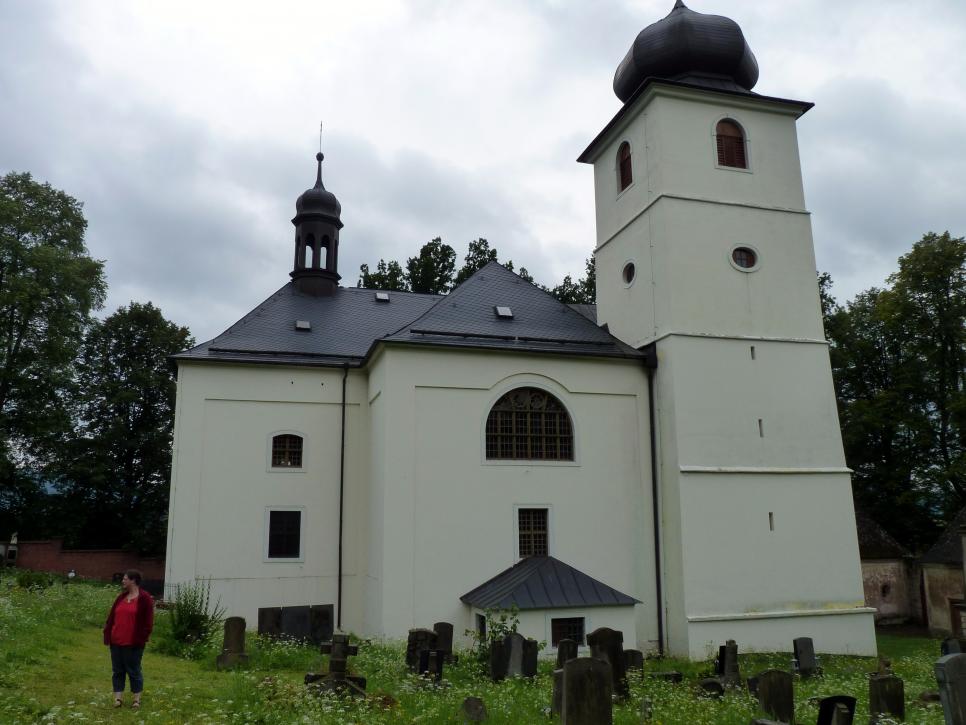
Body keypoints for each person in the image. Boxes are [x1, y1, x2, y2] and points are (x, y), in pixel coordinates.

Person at [103, 569, 154, 709]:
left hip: (133, 643)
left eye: (125, 579)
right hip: (116, 641)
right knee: (118, 671)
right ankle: (118, 699)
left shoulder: (145, 598)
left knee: (134, 670)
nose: (123, 581)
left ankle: (136, 700)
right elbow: (112, 617)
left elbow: (148, 622)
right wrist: (108, 632)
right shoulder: (121, 597)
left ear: (133, 580)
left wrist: (142, 638)